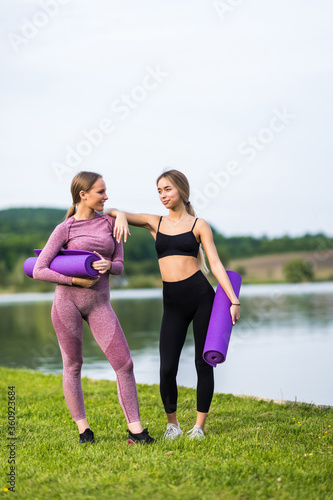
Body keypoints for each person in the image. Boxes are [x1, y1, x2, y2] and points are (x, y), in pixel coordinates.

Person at [105, 169, 240, 440]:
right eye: (159, 191)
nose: (163, 195)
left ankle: (199, 427)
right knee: (167, 367)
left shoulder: (199, 225)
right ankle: (173, 424)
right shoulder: (155, 223)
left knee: (204, 364)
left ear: (181, 190)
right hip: (173, 303)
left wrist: (233, 300)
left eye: (167, 189)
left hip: (202, 297)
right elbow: (111, 210)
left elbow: (214, 264)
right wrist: (119, 214)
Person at [33, 171, 154, 445]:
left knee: (124, 364)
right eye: (101, 192)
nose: (106, 196)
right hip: (67, 303)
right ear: (83, 195)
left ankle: (135, 431)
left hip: (100, 304)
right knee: (73, 365)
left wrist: (109, 266)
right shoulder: (65, 229)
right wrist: (74, 280)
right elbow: (39, 269)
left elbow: (121, 266)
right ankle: (83, 430)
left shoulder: (111, 223)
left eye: (106, 191)